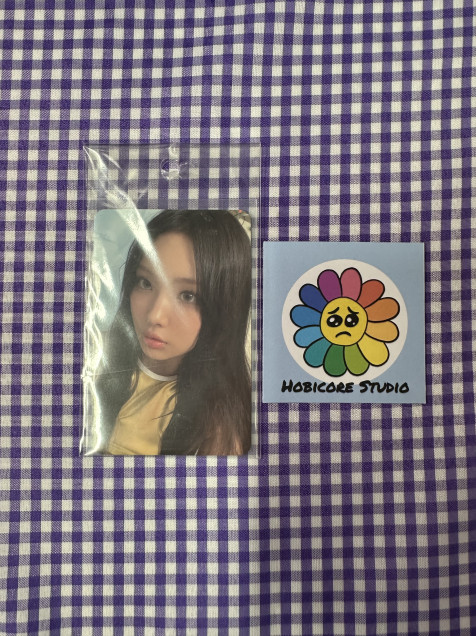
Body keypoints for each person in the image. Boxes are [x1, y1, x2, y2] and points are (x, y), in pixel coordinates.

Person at [95, 209, 251, 455]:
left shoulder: (216, 423)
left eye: (188, 296)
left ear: (225, 308)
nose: (155, 316)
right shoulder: (95, 357)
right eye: (146, 283)